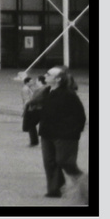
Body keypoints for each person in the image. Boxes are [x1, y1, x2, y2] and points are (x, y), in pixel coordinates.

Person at [37, 66, 87, 201]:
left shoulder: (69, 95)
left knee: (65, 161)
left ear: (58, 79)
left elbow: (80, 116)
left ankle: (86, 185)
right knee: (50, 162)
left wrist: (72, 131)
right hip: (47, 133)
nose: (45, 75)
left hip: (64, 135)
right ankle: (55, 189)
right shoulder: (47, 91)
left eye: (48, 74)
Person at [21, 74, 44, 147]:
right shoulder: (26, 89)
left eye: (34, 81)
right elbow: (26, 99)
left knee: (31, 124)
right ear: (27, 82)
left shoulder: (31, 88)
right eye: (31, 81)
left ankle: (34, 141)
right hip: (32, 107)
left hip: (35, 107)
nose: (33, 82)